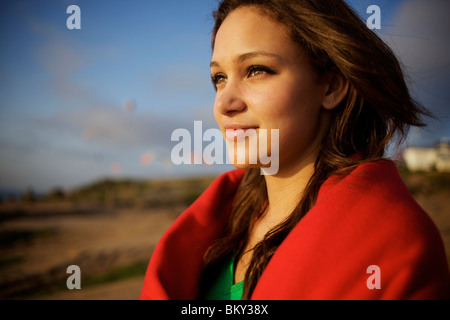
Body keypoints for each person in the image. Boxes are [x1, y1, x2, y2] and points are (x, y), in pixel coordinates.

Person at [141, 0, 450, 300]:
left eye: (256, 70)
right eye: (219, 78)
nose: (223, 103)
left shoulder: (395, 245)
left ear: (331, 87)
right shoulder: (222, 223)